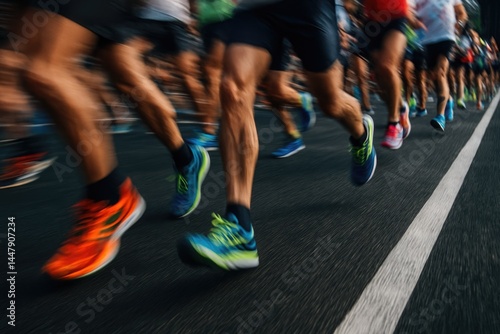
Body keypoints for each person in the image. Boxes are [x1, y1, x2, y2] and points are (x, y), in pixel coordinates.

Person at [12, 0, 209, 280]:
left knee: (43, 71)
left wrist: (193, 15)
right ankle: (186, 157)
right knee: (126, 80)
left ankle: (110, 197)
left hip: (153, 11)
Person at [177, 0, 377, 270]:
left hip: (309, 8)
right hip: (255, 8)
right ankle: (239, 229)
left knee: (329, 101)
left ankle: (360, 135)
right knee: (232, 88)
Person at [414, 0, 468, 131]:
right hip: (427, 40)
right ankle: (448, 99)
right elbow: (412, 14)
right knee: (436, 77)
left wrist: (458, 25)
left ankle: (440, 116)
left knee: (440, 73)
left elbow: (462, 13)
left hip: (447, 37)